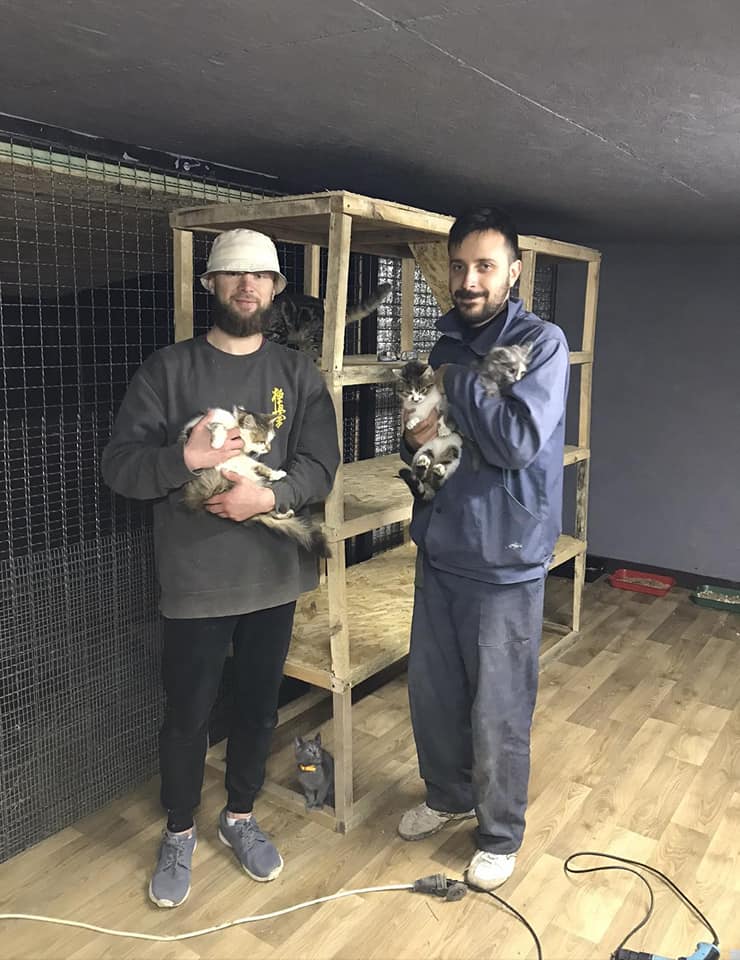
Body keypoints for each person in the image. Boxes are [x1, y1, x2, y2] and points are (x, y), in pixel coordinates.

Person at [102, 229, 339, 908]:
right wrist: (187, 461)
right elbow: (119, 467)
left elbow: (322, 464)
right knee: (187, 714)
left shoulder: (296, 373)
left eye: (260, 275)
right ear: (210, 285)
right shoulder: (167, 370)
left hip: (273, 576)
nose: (247, 285)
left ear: (276, 288)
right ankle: (179, 829)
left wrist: (269, 498)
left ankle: (239, 815)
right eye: (233, 274)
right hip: (197, 582)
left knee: (259, 709)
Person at [397, 207, 570, 891]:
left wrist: (453, 384)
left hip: (505, 556)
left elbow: (515, 442)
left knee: (498, 707)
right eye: (459, 266)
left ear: (513, 272)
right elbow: (428, 443)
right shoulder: (445, 340)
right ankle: (447, 794)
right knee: (434, 694)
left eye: (485, 267)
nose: (469, 280)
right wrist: (415, 442)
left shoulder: (541, 343)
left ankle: (499, 833)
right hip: (442, 545)